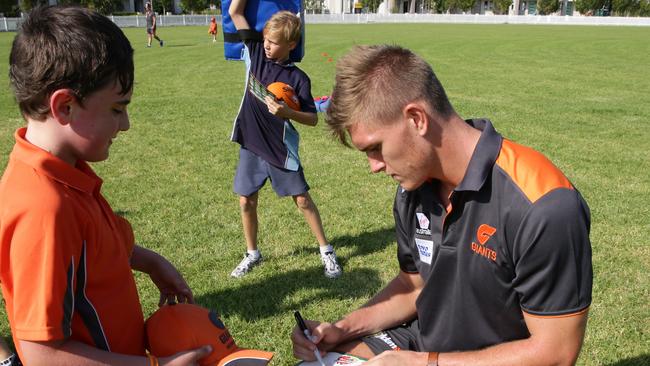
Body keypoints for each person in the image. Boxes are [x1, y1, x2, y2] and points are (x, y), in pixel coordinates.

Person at [291, 45, 593, 366]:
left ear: (416, 118)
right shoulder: (414, 187)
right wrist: (341, 328)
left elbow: (556, 353)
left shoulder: (543, 205)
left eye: (375, 148)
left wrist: (423, 364)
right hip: (423, 343)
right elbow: (414, 285)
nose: (374, 166)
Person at [0, 6, 211, 365]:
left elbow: (94, 248)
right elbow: (42, 354)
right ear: (65, 106)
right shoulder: (44, 208)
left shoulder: (64, 171)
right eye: (117, 109)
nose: (125, 124)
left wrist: (151, 262)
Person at [227, 0, 342, 279]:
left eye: (274, 42)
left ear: (291, 44)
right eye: (266, 39)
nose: (267, 45)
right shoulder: (254, 51)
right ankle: (252, 253)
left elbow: (312, 118)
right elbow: (235, 12)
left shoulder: (298, 78)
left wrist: (288, 112)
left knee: (302, 199)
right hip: (251, 142)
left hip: (279, 146)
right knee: (246, 201)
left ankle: (327, 251)